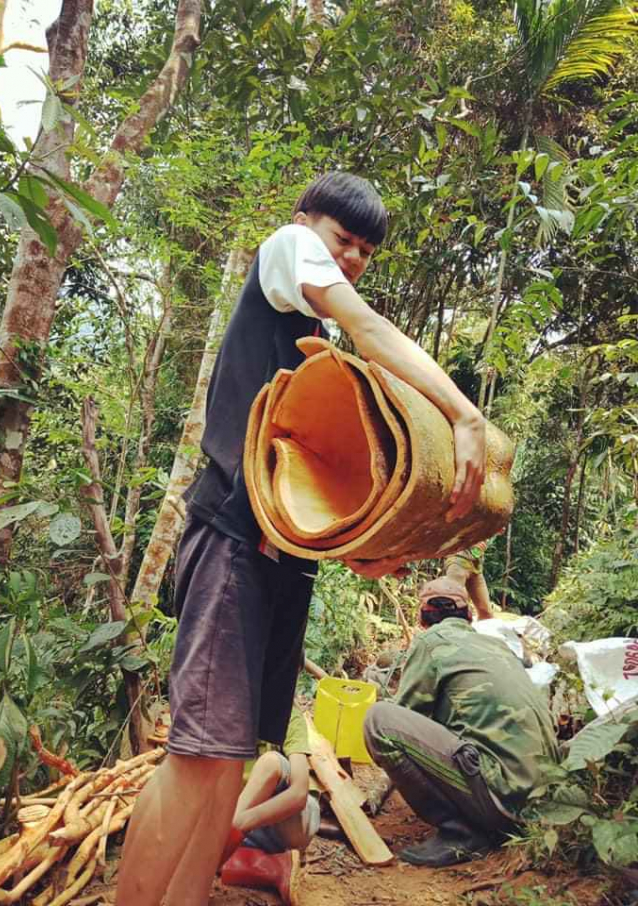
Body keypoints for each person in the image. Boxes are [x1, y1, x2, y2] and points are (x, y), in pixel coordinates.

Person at [116, 172, 487, 906]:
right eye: (341, 240)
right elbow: (372, 330)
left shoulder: (310, 346)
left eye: (364, 252)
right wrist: (463, 414)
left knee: (222, 765)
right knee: (196, 760)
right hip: (229, 546)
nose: (350, 258)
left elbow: (313, 493)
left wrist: (366, 550)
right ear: (304, 223)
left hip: (279, 565)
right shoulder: (286, 252)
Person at [364, 583, 558, 868]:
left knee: (379, 721)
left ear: (422, 618)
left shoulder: (431, 642)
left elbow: (406, 714)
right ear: (469, 617)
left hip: (504, 802)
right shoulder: (498, 645)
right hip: (545, 804)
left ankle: (462, 833)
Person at [219, 706, 319, 906]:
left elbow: (299, 794)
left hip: (288, 822)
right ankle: (277, 866)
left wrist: (239, 822)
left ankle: (218, 852)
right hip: (246, 834)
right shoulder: (224, 713)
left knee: (270, 763)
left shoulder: (287, 714)